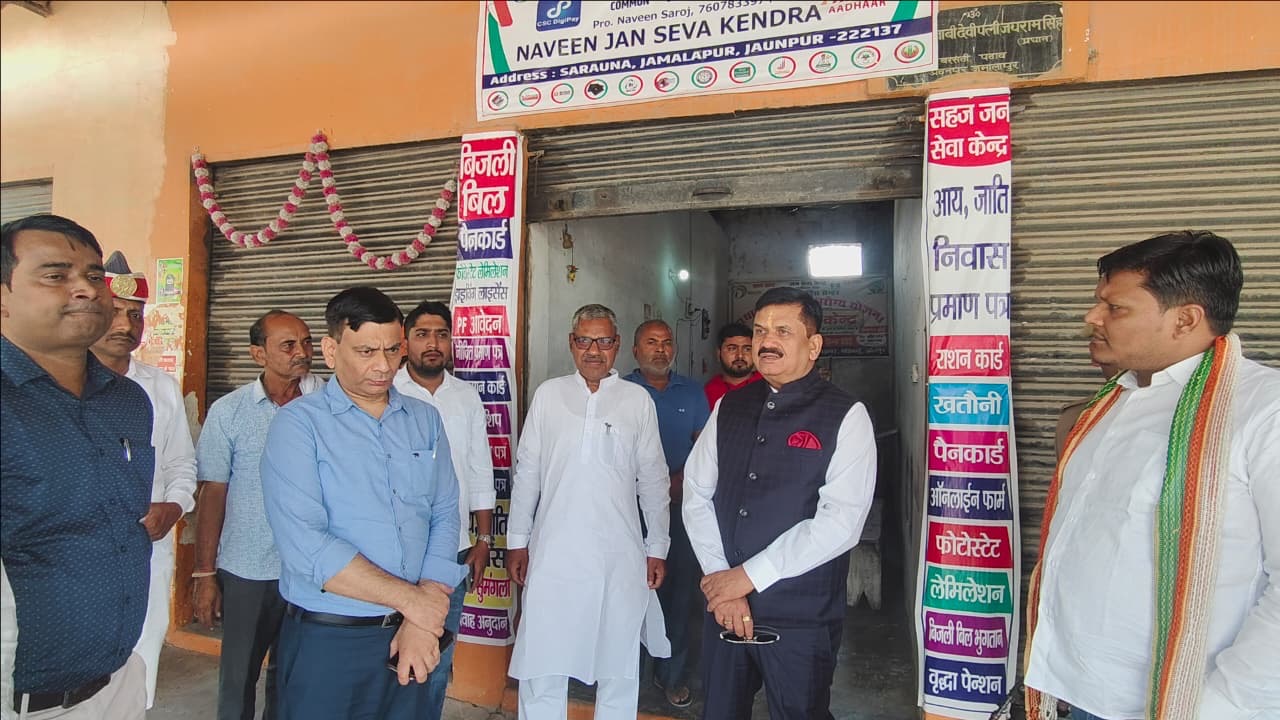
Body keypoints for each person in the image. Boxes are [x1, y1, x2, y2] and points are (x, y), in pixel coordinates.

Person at [1024, 231, 1279, 720]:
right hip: (1075, 688)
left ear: (1185, 319)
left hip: (1189, 704)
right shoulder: (1109, 406)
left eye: (1115, 308)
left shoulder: (1264, 412)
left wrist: (1220, 705)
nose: (1092, 317)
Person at [260, 287, 463, 719]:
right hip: (331, 641)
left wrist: (421, 612)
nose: (384, 366)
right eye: (367, 351)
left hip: (413, 636)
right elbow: (307, 547)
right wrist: (414, 603)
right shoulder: (298, 426)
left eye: (392, 350)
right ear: (331, 350)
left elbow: (444, 512)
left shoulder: (424, 419)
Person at [683, 286, 877, 720]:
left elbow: (841, 522)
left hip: (801, 618)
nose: (766, 341)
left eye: (783, 331)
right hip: (725, 611)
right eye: (759, 331)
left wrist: (748, 577)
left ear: (813, 346)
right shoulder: (729, 406)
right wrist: (721, 581)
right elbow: (697, 493)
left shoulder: (846, 415)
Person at [1, 214, 154, 719]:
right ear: (3, 296)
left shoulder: (128, 401)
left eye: (93, 275)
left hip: (117, 683)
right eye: (55, 275)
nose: (86, 289)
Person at [507, 304, 672, 720]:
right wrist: (517, 541)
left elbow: (653, 479)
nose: (593, 350)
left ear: (617, 345)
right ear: (571, 343)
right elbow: (527, 473)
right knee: (543, 658)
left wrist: (657, 546)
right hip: (553, 554)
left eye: (603, 341)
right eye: (584, 340)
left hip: (618, 556)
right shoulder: (549, 395)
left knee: (618, 663)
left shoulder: (637, 400)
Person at [192, 309, 324, 720]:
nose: (302, 352)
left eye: (307, 342)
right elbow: (213, 492)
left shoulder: (330, 404)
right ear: (258, 354)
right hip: (248, 569)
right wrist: (204, 573)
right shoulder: (229, 411)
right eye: (288, 345)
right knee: (238, 676)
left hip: (312, 567)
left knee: (294, 677)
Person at [90, 251, 198, 709]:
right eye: (114, 312)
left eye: (135, 314)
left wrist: (173, 508)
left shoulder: (160, 387)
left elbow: (182, 464)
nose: (126, 325)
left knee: (140, 661)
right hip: (80, 553)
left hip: (147, 551)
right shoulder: (54, 385)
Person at [392, 300, 496, 715]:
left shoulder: (466, 396)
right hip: (395, 551)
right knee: (390, 654)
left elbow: (480, 467)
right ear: (405, 343)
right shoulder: (388, 390)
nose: (433, 343)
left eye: (441, 334)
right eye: (422, 334)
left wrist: (483, 539)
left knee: (437, 655)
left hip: (453, 550)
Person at [622, 319, 711, 708]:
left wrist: (678, 481)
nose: (660, 349)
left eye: (666, 342)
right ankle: (628, 673)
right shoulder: (619, 391)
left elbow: (705, 450)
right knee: (629, 592)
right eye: (651, 342)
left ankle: (672, 675)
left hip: (678, 508)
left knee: (677, 594)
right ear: (635, 350)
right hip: (627, 511)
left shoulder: (692, 392)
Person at [703, 322, 763, 409]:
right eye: (732, 349)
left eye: (747, 349)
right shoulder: (708, 392)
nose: (740, 356)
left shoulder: (769, 385)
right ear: (718, 354)